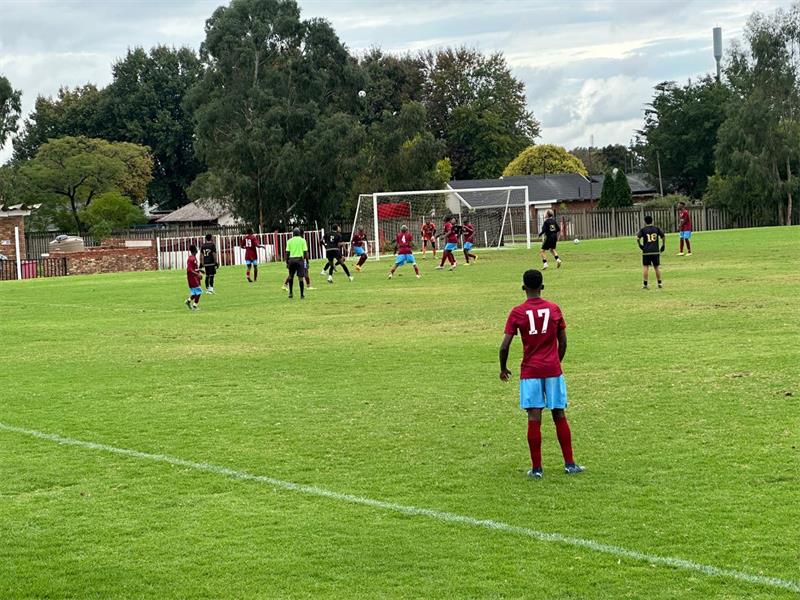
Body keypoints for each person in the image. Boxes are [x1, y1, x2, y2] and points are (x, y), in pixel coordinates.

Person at [499, 269, 584, 478]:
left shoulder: (517, 312)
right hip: (553, 370)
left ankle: (537, 469)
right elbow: (563, 341)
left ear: (523, 288)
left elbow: (504, 346)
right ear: (542, 287)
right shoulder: (554, 309)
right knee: (559, 414)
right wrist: (556, 361)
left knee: (534, 416)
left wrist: (503, 367)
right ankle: (570, 464)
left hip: (531, 371)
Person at [637, 215, 665, 289]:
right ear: (652, 221)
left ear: (645, 222)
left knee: (646, 267)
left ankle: (645, 284)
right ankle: (659, 283)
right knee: (656, 267)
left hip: (646, 251)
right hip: (655, 251)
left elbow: (637, 238)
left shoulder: (643, 230)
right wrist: (663, 245)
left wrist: (640, 245)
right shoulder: (656, 229)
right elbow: (663, 236)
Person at [285, 228, 309, 299]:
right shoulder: (302, 240)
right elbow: (305, 252)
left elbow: (287, 253)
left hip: (291, 260)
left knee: (290, 276)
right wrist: (306, 261)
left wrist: (287, 262)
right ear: (299, 233)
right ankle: (302, 294)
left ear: (293, 233)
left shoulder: (289, 241)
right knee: (300, 278)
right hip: (299, 260)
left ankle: (290, 293)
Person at [184, 244, 203, 311]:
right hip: (192, 278)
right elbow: (189, 269)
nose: (197, 250)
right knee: (199, 291)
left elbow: (193, 268)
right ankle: (195, 306)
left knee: (196, 292)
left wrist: (200, 270)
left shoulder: (193, 258)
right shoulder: (191, 259)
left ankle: (188, 301)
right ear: (195, 250)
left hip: (194, 278)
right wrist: (197, 275)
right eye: (196, 248)